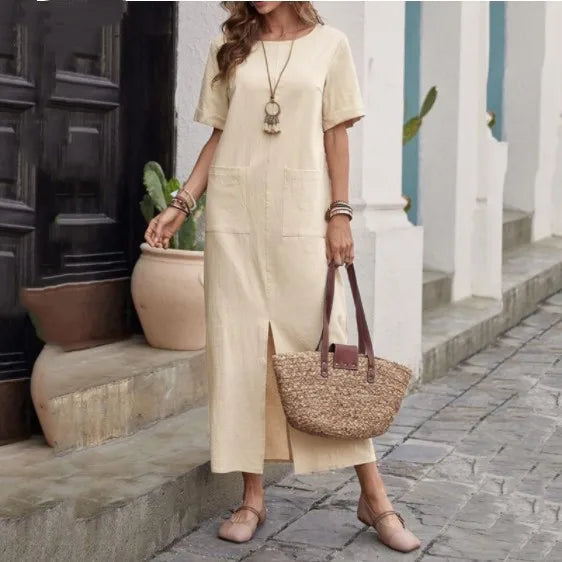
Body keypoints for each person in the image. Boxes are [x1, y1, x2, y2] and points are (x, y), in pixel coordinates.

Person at [144, 1, 421, 553]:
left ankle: (374, 496)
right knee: (241, 351)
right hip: (236, 218)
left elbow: (336, 135)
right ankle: (252, 497)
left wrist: (340, 213)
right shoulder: (229, 44)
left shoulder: (330, 45)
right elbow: (220, 134)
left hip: (302, 218)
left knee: (330, 345)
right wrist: (182, 203)